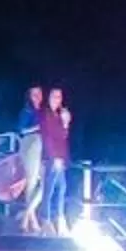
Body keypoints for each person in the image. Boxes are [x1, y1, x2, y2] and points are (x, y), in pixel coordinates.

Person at [14, 85, 47, 230]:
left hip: (43, 145)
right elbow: (21, 129)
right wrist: (39, 127)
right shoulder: (27, 111)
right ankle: (31, 220)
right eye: (34, 94)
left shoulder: (43, 111)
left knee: (45, 183)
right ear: (29, 96)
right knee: (32, 180)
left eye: (39, 93)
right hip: (31, 143)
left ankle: (27, 214)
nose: (37, 96)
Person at [40, 88, 75, 229]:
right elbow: (47, 136)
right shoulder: (46, 114)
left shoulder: (58, 115)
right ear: (49, 98)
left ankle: (59, 217)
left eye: (59, 97)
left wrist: (66, 123)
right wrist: (54, 156)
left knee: (61, 187)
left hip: (60, 155)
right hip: (52, 156)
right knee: (50, 188)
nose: (57, 99)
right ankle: (46, 219)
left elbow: (63, 136)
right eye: (54, 96)